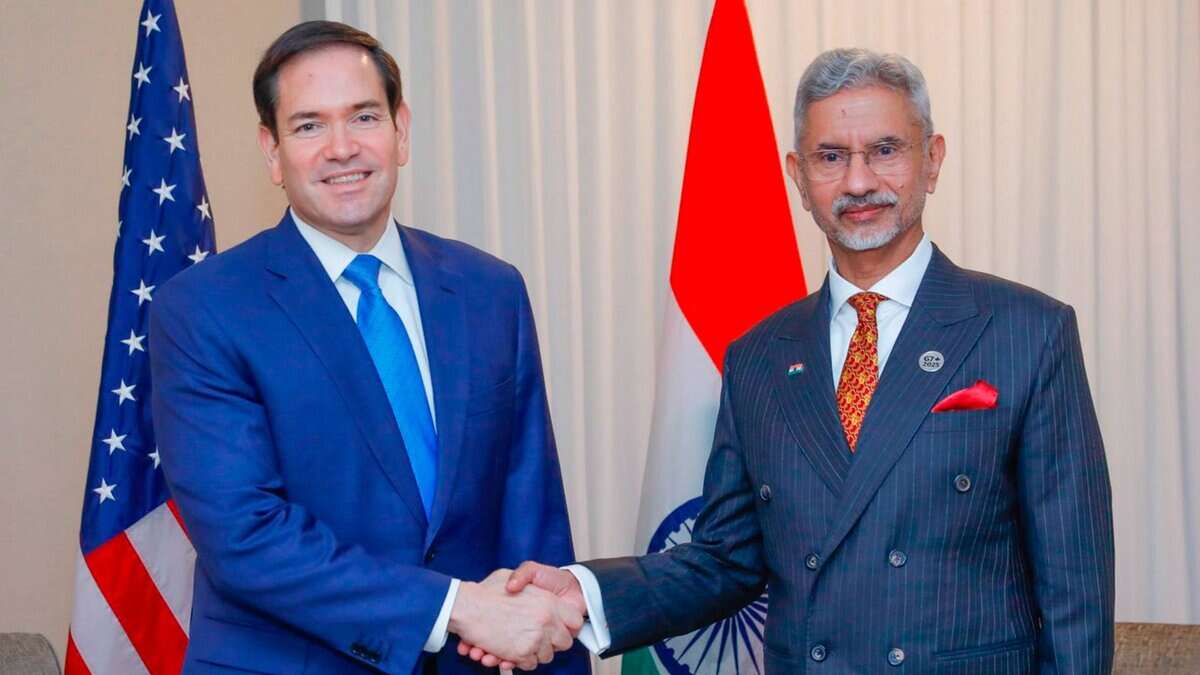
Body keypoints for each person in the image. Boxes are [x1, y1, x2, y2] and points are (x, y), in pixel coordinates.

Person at [474, 48, 1115, 673]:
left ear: (933, 159)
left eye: (885, 151)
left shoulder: (1028, 332)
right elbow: (727, 557)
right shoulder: (757, 357)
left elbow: (1075, 590)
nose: (859, 181)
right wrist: (586, 594)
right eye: (830, 157)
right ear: (798, 176)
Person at [150, 21, 590, 674]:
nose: (342, 147)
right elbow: (246, 536)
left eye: (363, 116)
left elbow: (532, 521)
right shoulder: (203, 309)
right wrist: (454, 606)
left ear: (400, 130)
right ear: (271, 151)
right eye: (308, 126)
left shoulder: (490, 290)